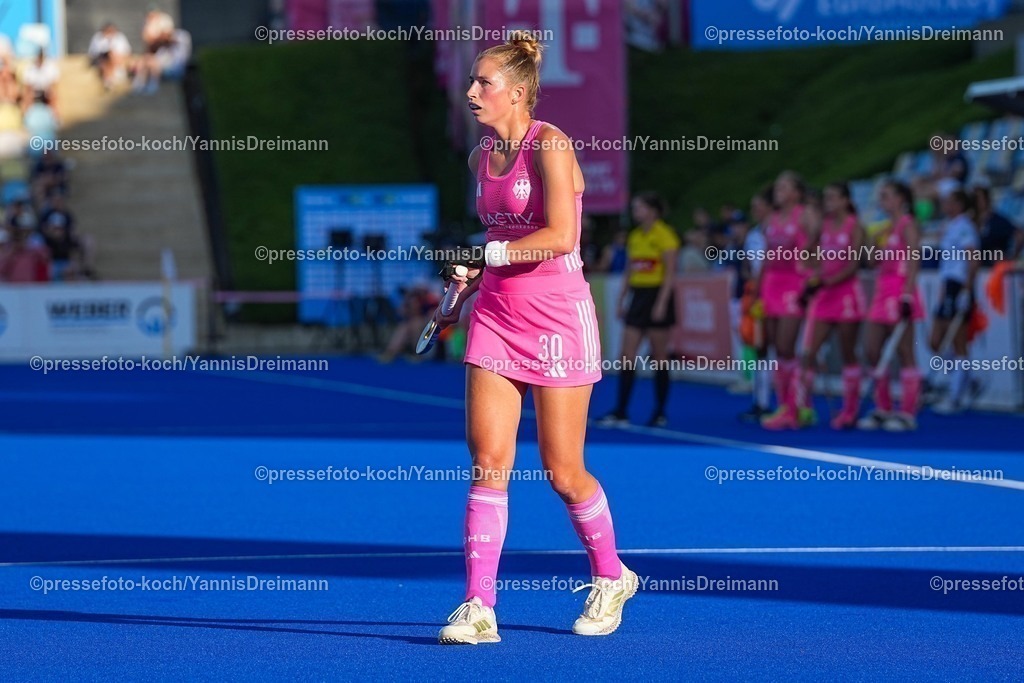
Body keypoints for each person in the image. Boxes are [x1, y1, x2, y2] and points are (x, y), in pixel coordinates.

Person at [432, 33, 637, 645]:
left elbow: (561, 237)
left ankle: (612, 575)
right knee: (488, 461)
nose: (471, 92)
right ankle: (478, 605)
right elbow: (498, 236)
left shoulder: (551, 144)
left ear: (518, 92)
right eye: (472, 82)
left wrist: (487, 251)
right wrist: (473, 274)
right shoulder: (479, 159)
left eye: (483, 83)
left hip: (557, 318)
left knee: (563, 471)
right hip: (496, 314)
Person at [598, 191, 680, 427]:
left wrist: (662, 303)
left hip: (657, 295)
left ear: (652, 211)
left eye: (639, 208)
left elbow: (670, 273)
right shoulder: (634, 237)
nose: (635, 212)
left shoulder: (666, 236)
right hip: (638, 297)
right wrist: (623, 298)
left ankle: (660, 412)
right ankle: (621, 410)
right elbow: (630, 271)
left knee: (659, 358)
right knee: (626, 356)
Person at [857, 181, 925, 431]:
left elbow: (914, 260)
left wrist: (908, 295)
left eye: (885, 195)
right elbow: (870, 262)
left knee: (905, 352)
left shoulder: (908, 224)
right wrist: (871, 241)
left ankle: (907, 411)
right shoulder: (884, 229)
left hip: (900, 291)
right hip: (881, 292)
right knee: (872, 350)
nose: (881, 200)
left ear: (900, 199)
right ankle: (883, 407)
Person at [799, 183, 866, 429]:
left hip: (846, 295)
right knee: (809, 352)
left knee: (848, 353)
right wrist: (814, 271)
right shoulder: (823, 225)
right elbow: (806, 251)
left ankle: (850, 410)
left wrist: (825, 280)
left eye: (833, 197)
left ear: (845, 200)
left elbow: (854, 264)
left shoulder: (854, 226)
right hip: (825, 296)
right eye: (826, 197)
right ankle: (803, 407)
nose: (828, 202)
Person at [759, 171, 818, 430]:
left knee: (786, 345)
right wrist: (758, 290)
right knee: (776, 347)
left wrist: (813, 277)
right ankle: (788, 404)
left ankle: (795, 406)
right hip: (772, 284)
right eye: (777, 185)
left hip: (794, 283)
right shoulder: (770, 219)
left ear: (797, 192)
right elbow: (767, 256)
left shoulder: (805, 215)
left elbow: (818, 246)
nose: (778, 190)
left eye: (785, 186)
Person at [928, 190, 981, 414]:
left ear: (959, 203)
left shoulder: (965, 227)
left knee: (958, 342)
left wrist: (966, 291)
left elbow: (973, 258)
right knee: (935, 340)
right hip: (947, 285)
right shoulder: (949, 226)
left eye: (949, 202)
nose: (944, 205)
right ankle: (966, 377)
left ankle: (955, 396)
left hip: (958, 286)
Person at [737, 189, 771, 422]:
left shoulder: (780, 232)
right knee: (760, 347)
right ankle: (761, 400)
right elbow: (750, 267)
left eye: (757, 205)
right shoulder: (753, 235)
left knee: (786, 350)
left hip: (776, 295)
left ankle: (797, 404)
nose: (754, 211)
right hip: (758, 296)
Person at [88, 22, 132, 91]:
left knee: (112, 55)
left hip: (117, 58)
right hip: (103, 59)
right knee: (107, 58)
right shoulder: (98, 37)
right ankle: (111, 78)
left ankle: (111, 78)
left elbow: (127, 51)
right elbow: (93, 52)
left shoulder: (120, 37)